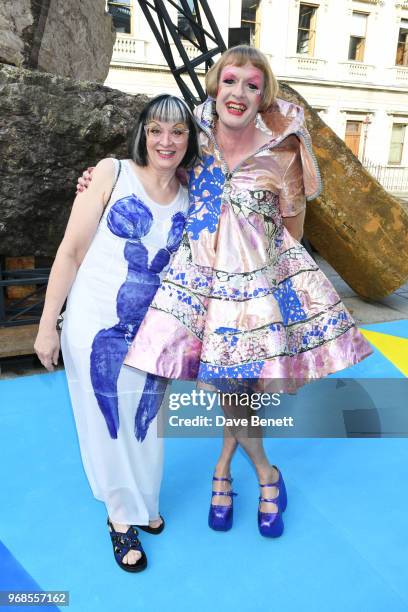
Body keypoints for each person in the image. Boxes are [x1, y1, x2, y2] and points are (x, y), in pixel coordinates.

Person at [78, 46, 372, 539]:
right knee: (230, 388)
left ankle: (234, 470)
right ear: (216, 85)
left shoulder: (285, 150)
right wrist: (97, 177)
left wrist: (263, 286)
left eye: (252, 85)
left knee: (237, 388)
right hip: (198, 286)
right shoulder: (195, 135)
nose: (239, 93)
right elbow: (156, 166)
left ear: (264, 95)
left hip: (256, 288)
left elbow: (293, 229)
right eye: (231, 81)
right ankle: (257, 471)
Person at [34, 94, 200, 571]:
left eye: (177, 132)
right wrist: (48, 325)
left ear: (188, 141)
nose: (165, 141)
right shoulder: (111, 173)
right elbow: (70, 252)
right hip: (94, 323)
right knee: (106, 421)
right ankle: (120, 519)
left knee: (147, 422)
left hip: (157, 332)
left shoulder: (193, 194)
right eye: (156, 130)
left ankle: (143, 503)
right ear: (142, 134)